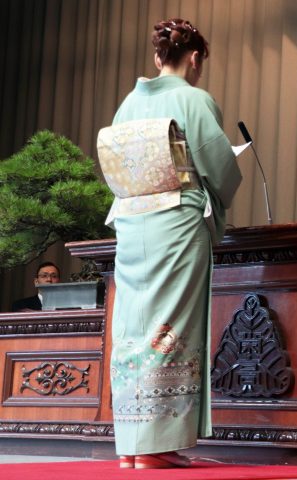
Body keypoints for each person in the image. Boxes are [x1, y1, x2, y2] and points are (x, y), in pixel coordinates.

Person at [101, 19, 242, 469]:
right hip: (176, 223)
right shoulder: (194, 99)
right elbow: (220, 169)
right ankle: (157, 445)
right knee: (170, 326)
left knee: (132, 326)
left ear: (157, 56)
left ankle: (131, 443)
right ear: (195, 58)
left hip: (132, 224)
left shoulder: (127, 104)